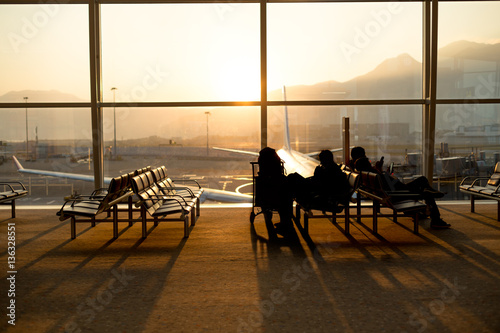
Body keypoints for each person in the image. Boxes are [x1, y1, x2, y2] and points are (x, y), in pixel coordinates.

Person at [350, 146, 451, 229]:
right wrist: (382, 172)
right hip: (398, 193)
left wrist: (381, 171)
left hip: (393, 192)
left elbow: (384, 183)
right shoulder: (372, 171)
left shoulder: (361, 171)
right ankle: (436, 219)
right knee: (423, 181)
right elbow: (389, 184)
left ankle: (428, 194)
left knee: (423, 184)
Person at [256, 147, 293, 235]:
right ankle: (286, 222)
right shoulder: (281, 179)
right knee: (285, 200)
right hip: (280, 196)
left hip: (268, 194)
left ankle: (284, 223)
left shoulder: (263, 178)